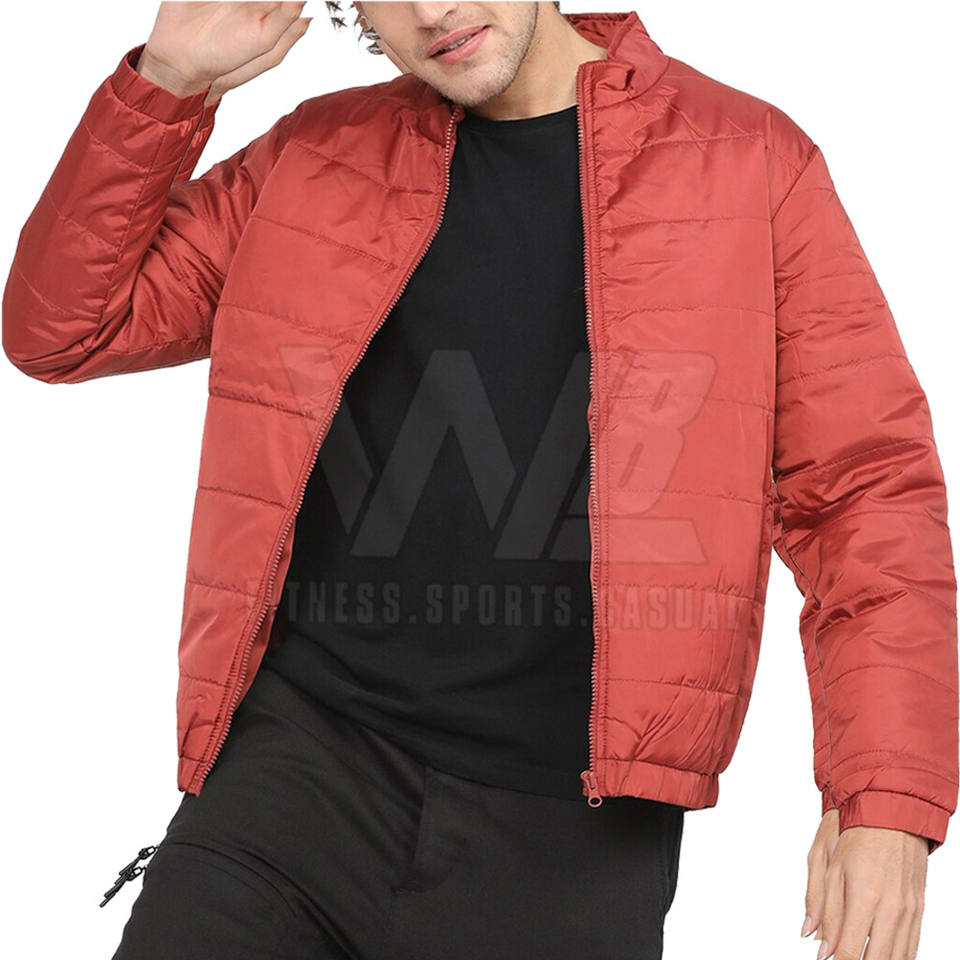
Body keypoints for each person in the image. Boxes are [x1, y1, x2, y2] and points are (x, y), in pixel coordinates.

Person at [3, 3, 957, 959]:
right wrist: (167, 83)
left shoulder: (749, 162)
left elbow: (864, 494)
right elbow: (64, 330)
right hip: (294, 780)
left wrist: (885, 798)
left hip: (569, 842)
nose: (432, 10)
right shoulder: (316, 155)